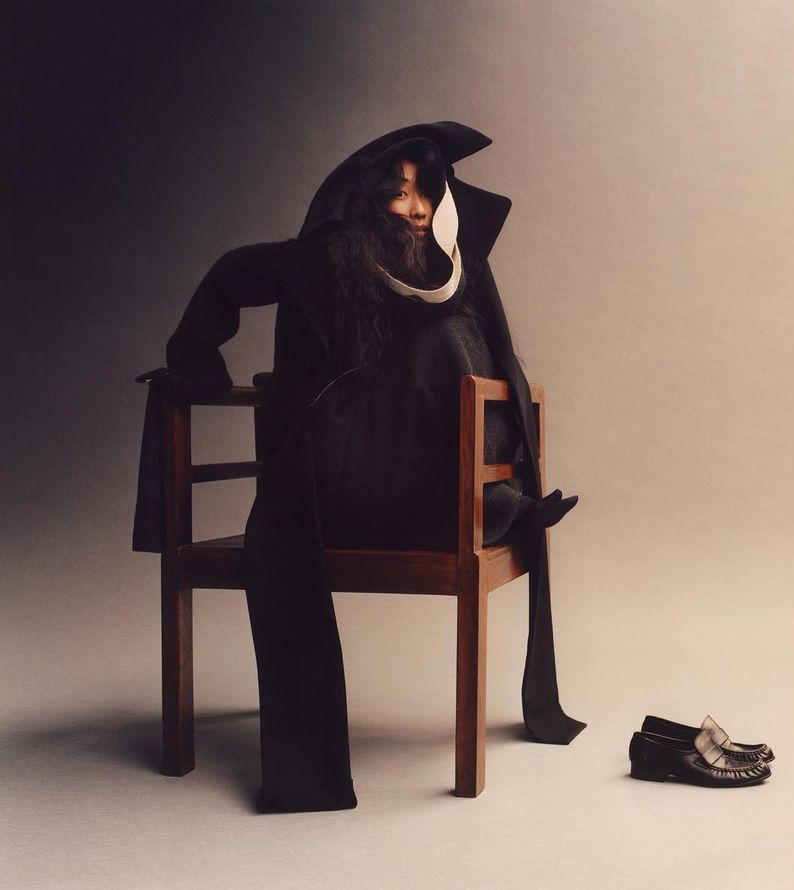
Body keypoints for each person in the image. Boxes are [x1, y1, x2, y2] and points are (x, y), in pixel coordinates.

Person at [132, 121, 586, 813]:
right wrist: (196, 365)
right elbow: (231, 272)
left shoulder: (452, 265)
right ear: (368, 198)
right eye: (399, 192)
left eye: (426, 192)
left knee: (452, 332)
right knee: (442, 340)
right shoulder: (329, 257)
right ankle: (499, 506)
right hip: (339, 485)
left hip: (427, 486)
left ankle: (498, 500)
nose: (416, 209)